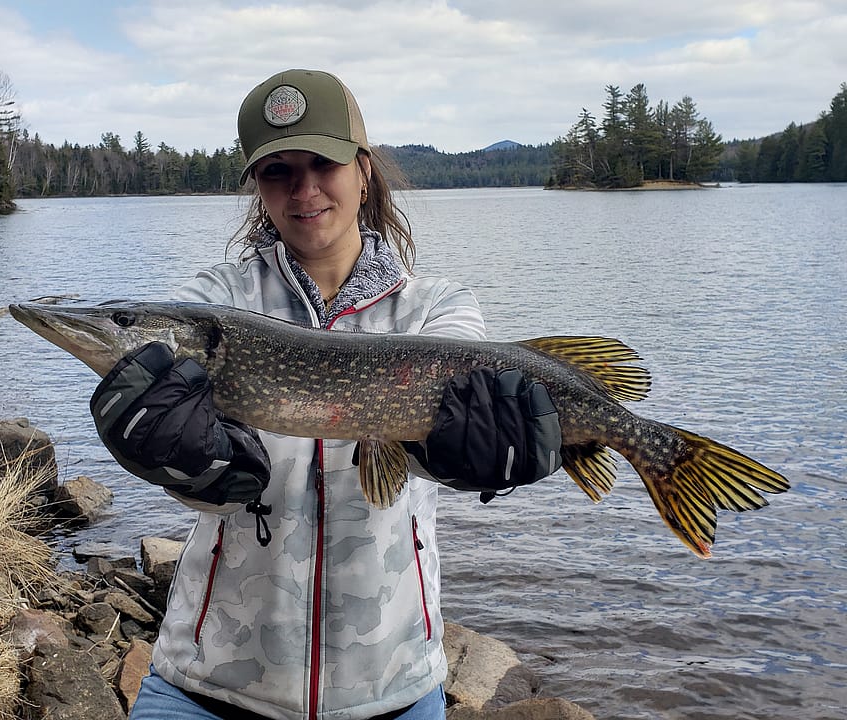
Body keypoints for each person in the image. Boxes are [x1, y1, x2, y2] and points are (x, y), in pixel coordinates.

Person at [90, 69, 563, 720]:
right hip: (208, 683)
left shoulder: (436, 308)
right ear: (257, 186)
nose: (304, 189)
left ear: (363, 171)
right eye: (278, 171)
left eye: (323, 163)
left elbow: (444, 440)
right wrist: (172, 460)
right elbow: (204, 474)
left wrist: (479, 452)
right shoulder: (213, 304)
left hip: (392, 687)